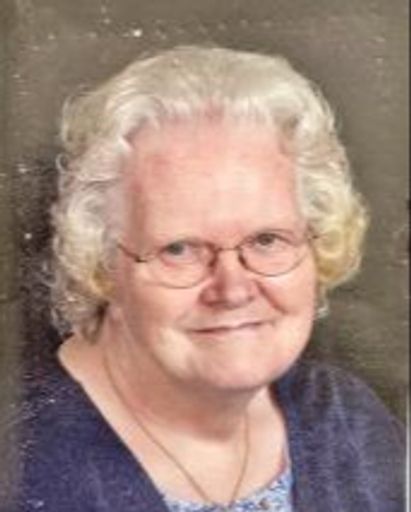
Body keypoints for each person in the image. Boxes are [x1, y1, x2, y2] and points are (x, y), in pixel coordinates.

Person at [16, 46, 404, 512]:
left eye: (267, 240)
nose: (233, 290)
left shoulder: (348, 422)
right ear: (103, 263)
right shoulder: (21, 465)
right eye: (179, 249)